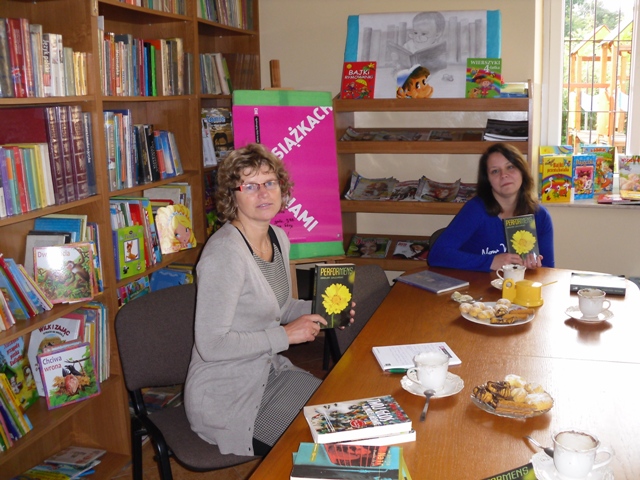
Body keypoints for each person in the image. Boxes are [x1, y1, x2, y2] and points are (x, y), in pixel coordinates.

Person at [184, 143, 355, 457]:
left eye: (270, 182)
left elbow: (281, 307)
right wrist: (285, 335)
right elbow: (211, 345)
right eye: (250, 186)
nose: (263, 193)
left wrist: (324, 310)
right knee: (328, 450)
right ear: (232, 196)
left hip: (270, 371)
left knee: (347, 419)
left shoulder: (277, 237)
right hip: (229, 397)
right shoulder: (224, 254)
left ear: (282, 187)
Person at [428, 142, 554, 271]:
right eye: (495, 171)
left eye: (510, 167)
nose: (504, 175)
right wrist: (490, 262)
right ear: (487, 180)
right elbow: (437, 254)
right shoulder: (475, 210)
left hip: (518, 283)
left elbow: (549, 269)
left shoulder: (540, 215)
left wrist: (534, 267)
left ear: (522, 171)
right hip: (475, 283)